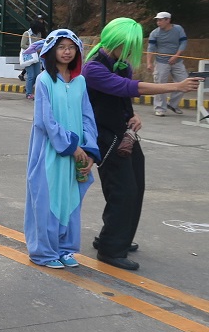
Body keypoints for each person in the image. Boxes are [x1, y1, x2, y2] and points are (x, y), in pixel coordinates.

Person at [82, 18, 203, 271]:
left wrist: (132, 115)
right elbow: (127, 87)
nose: (130, 51)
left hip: (122, 132)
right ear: (117, 41)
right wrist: (177, 86)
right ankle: (110, 249)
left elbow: (124, 96)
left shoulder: (120, 63)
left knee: (135, 186)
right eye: (128, 44)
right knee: (122, 190)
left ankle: (116, 236)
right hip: (103, 136)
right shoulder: (93, 68)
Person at [24, 29, 99, 269]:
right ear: (51, 51)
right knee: (47, 200)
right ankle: (44, 252)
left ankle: (65, 248)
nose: (67, 51)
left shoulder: (80, 81)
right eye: (61, 47)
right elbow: (45, 121)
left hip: (77, 154)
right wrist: (71, 145)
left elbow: (88, 116)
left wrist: (89, 149)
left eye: (71, 47)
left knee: (70, 200)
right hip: (50, 153)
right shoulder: (44, 80)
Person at [145, 12, 189, 117]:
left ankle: (173, 104)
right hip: (161, 62)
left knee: (184, 81)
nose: (158, 22)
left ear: (168, 20)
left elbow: (183, 43)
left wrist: (176, 56)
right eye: (157, 20)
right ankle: (160, 108)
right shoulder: (155, 33)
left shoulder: (178, 29)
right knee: (160, 85)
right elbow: (151, 48)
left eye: (160, 20)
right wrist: (149, 62)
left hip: (177, 61)